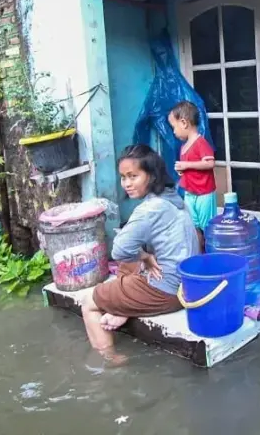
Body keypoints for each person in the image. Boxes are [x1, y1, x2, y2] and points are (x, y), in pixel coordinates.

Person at [81, 144, 200, 363]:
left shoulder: (150, 209)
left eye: (133, 176)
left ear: (152, 176)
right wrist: (144, 256)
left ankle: (111, 361)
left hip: (168, 291)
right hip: (188, 286)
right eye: (123, 177)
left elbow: (119, 250)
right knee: (129, 265)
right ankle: (123, 308)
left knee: (88, 302)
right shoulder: (173, 197)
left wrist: (144, 257)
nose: (126, 183)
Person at [168, 101, 217, 237]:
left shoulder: (200, 142)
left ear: (184, 123)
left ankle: (209, 254)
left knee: (207, 227)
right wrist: (182, 170)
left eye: (174, 127)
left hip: (203, 193)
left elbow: (209, 163)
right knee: (193, 226)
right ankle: (198, 253)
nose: (174, 131)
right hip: (190, 193)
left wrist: (187, 165)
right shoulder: (184, 147)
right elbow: (189, 168)